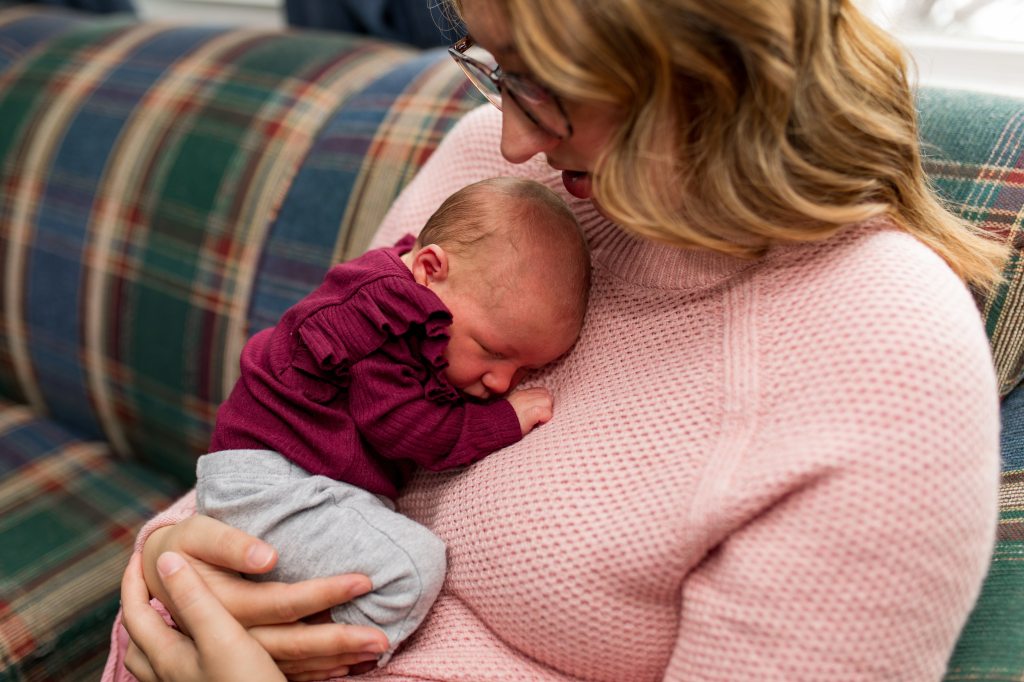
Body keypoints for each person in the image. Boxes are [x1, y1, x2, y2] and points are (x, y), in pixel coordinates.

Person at [104, 0, 1008, 679]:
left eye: (541, 82)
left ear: (705, 63)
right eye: (495, 68)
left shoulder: (884, 356)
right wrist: (167, 587)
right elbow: (279, 432)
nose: (507, 139)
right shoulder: (493, 187)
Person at [193, 176, 588, 665]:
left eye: (525, 369)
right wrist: (501, 421)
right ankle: (325, 664)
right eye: (491, 350)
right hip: (272, 483)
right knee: (412, 568)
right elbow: (411, 431)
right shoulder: (383, 320)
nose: (502, 383)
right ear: (429, 268)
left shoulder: (415, 292)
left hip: (292, 481)